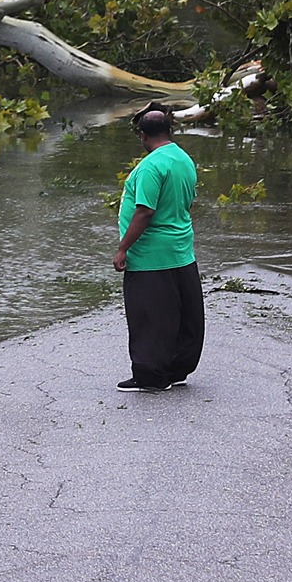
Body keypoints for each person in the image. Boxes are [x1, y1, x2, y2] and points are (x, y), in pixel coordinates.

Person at [111, 102, 202, 392]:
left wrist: (123, 248)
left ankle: (150, 377)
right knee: (181, 315)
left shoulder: (150, 166)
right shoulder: (184, 159)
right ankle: (176, 369)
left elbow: (145, 211)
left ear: (142, 135)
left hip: (151, 256)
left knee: (150, 317)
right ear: (169, 130)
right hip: (181, 251)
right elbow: (186, 202)